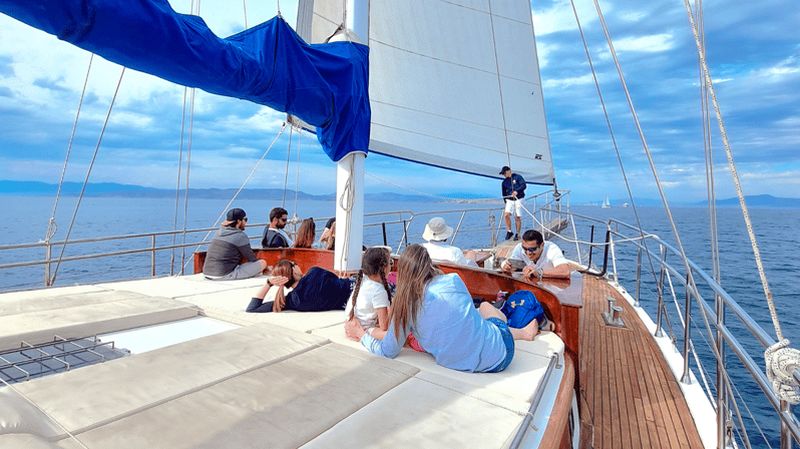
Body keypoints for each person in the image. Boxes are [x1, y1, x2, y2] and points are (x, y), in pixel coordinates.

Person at [345, 245, 539, 373]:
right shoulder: (453, 279)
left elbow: (387, 351)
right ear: (429, 264)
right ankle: (520, 331)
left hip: (470, 362)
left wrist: (361, 334)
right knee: (486, 309)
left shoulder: (405, 307)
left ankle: (520, 331)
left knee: (487, 315)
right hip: (501, 353)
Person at [246, 260, 352, 313]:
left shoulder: (293, 301)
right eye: (294, 263)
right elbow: (338, 279)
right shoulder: (314, 272)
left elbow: (252, 308)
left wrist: (268, 283)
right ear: (293, 270)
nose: (297, 265)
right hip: (355, 288)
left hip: (351, 303)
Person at [203, 208, 266, 280]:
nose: (246, 223)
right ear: (239, 221)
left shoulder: (218, 233)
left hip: (207, 273)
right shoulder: (240, 236)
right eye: (245, 220)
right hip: (223, 275)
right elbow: (252, 258)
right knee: (262, 263)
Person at [344, 247, 393, 339]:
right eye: (390, 262)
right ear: (384, 267)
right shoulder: (379, 291)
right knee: (392, 335)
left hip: (351, 323)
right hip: (365, 330)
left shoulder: (362, 281)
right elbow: (384, 326)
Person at [501, 229, 571, 280]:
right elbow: (511, 264)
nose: (528, 253)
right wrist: (506, 266)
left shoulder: (552, 249)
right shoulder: (519, 248)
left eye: (532, 249)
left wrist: (539, 272)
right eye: (525, 249)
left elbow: (565, 271)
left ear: (542, 245)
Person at [500, 165, 526, 241]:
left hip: (519, 199)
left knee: (517, 217)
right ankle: (509, 231)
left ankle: (517, 233)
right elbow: (504, 194)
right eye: (503, 174)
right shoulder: (504, 183)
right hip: (509, 200)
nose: (504, 175)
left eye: (504, 173)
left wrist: (516, 191)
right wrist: (505, 202)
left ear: (509, 171)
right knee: (506, 215)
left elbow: (523, 185)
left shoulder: (518, 177)